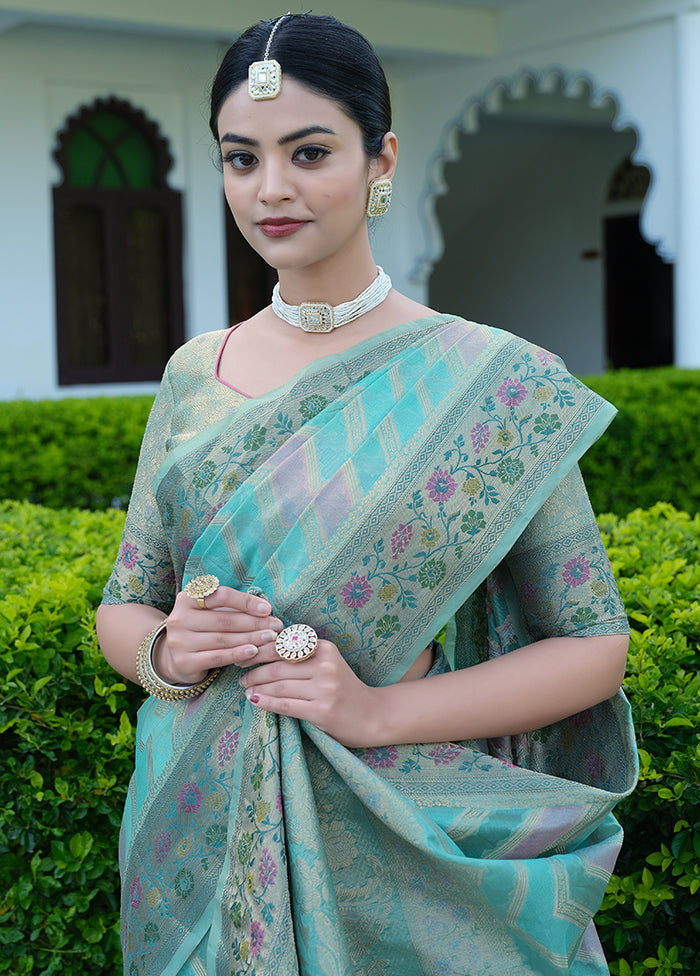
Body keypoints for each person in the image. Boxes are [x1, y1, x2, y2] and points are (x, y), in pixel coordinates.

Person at [96, 12, 637, 975]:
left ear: (380, 158)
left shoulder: (489, 384)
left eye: (309, 152)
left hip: (411, 841)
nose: (271, 190)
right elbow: (124, 604)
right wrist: (168, 650)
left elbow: (594, 646)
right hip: (199, 827)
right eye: (240, 157)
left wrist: (374, 714)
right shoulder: (194, 374)